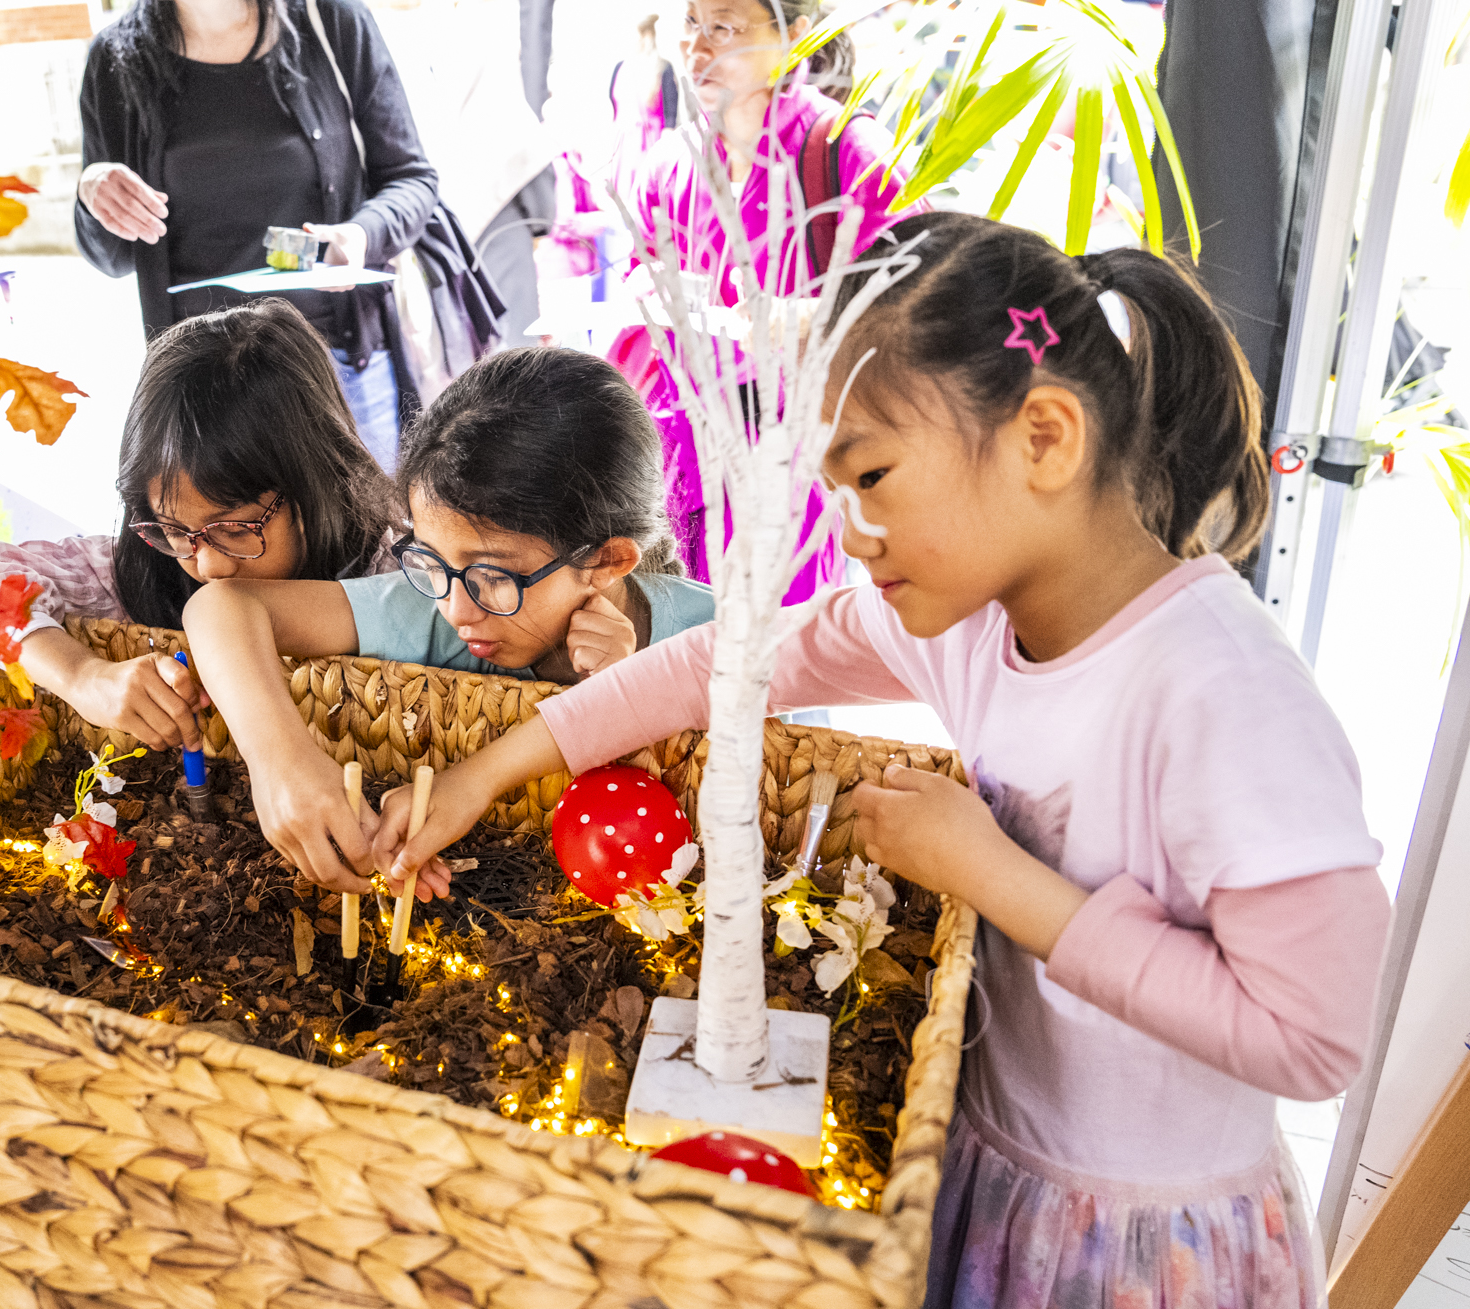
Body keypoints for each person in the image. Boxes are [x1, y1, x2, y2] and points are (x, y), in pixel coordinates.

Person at [373, 213, 1391, 1307]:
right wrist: (487, 772)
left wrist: (985, 870)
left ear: (1042, 438)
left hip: (1143, 1247)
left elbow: (1310, 1041)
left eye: (871, 476)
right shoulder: (957, 623)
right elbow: (722, 662)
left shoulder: (1223, 697)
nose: (850, 531)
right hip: (985, 1169)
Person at [182, 346, 715, 890]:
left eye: (494, 577)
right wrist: (281, 763)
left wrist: (632, 688)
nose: (457, 611)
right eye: (430, 558)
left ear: (606, 561)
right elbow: (223, 606)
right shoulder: (429, 602)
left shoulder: (710, 632)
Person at [0, 300, 398, 752]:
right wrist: (83, 676)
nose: (207, 565)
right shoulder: (145, 572)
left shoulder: (393, 579)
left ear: (317, 484)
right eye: (174, 531)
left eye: (238, 529)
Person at [614, 0, 914, 607]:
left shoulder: (846, 149)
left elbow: (918, 296)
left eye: (723, 27)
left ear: (795, 35)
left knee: (783, 665)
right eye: (690, 25)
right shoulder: (670, 162)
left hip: (796, 466)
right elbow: (640, 276)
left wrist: (812, 317)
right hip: (680, 460)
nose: (697, 50)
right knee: (683, 648)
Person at [74, 0, 439, 471]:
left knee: (373, 539)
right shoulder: (116, 57)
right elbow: (113, 257)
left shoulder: (330, 20)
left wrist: (360, 234)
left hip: (341, 370)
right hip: (202, 390)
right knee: (235, 543)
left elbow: (412, 179)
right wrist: (93, 194)